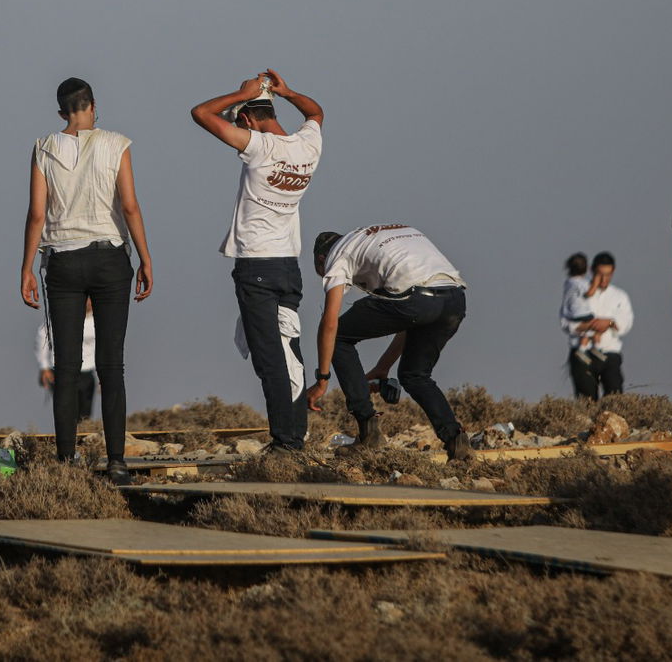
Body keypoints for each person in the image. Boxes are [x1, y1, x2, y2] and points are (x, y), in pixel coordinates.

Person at [21, 78, 153, 484]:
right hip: (110, 257)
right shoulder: (117, 143)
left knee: (67, 366)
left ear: (62, 112)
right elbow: (129, 206)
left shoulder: (43, 146)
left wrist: (26, 267)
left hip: (62, 260)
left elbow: (37, 214)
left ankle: (66, 461)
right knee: (111, 365)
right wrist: (145, 258)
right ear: (93, 105)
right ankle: (116, 461)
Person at [191, 70, 323, 452]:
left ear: (247, 121)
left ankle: (285, 444)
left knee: (269, 359)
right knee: (290, 353)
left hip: (256, 266)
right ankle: (295, 434)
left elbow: (200, 113)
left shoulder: (259, 148)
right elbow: (316, 113)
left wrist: (238, 93)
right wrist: (289, 92)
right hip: (288, 267)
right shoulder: (307, 147)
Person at [305, 224, 471, 459]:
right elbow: (413, 317)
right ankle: (457, 442)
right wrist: (383, 366)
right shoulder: (376, 239)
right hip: (454, 299)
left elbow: (329, 324)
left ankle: (368, 432)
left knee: (339, 336)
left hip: (415, 300)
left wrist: (322, 380)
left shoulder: (337, 254)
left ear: (321, 259)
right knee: (415, 375)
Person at [560, 251, 634, 400]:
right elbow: (566, 321)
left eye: (608, 274)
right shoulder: (579, 291)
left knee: (615, 397)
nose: (604, 279)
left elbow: (626, 323)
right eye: (600, 274)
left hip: (609, 353)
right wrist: (590, 326)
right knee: (586, 402)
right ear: (592, 271)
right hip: (582, 354)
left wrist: (609, 323)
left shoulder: (619, 296)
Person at [35, 299, 97, 423]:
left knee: (85, 413)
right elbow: (43, 338)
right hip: (61, 371)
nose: (88, 303)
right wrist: (44, 367)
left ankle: (81, 439)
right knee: (66, 410)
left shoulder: (99, 320)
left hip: (87, 372)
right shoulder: (64, 317)